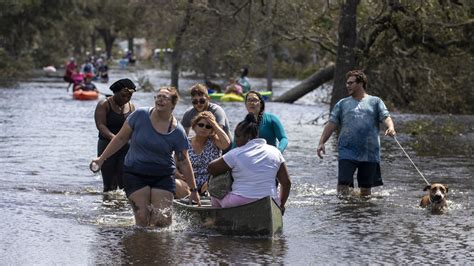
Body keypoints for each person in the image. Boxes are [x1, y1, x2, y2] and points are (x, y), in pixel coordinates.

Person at [90, 87, 201, 227]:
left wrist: (194, 190)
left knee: (162, 222)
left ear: (173, 104)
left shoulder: (177, 132)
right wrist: (101, 159)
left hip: (163, 176)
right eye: (158, 96)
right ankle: (141, 246)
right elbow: (120, 138)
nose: (160, 99)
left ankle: (159, 247)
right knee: (142, 219)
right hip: (135, 173)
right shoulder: (140, 115)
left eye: (165, 97)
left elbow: (184, 161)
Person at [316, 70, 396, 197]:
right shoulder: (342, 104)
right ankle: (344, 212)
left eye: (351, 83)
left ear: (361, 83)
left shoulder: (375, 102)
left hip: (370, 153)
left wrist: (390, 127)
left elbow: (386, 117)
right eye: (347, 83)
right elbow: (331, 124)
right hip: (347, 151)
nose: (347, 85)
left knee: (365, 192)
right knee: (342, 186)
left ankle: (361, 214)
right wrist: (321, 142)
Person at [208, 114, 291, 213]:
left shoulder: (235, 154)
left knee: (214, 194)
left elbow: (211, 168)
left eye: (237, 136)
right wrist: (280, 205)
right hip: (271, 202)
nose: (236, 140)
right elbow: (286, 183)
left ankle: (216, 220)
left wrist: (229, 168)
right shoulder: (275, 152)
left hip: (240, 201)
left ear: (248, 137)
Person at [174, 111, 231, 198]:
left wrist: (214, 123)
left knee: (218, 183)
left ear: (212, 130)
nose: (204, 128)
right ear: (194, 126)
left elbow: (227, 143)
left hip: (210, 184)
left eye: (208, 126)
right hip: (188, 184)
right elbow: (173, 164)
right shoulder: (185, 143)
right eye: (201, 125)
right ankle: (191, 201)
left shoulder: (215, 142)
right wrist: (178, 175)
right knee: (175, 183)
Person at [94, 78, 136, 193]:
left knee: (124, 185)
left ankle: (122, 209)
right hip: (107, 146)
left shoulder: (131, 107)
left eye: (129, 96)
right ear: (116, 92)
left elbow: (134, 128)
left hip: (126, 148)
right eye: (123, 96)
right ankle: (107, 208)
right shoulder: (104, 104)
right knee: (109, 187)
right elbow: (101, 125)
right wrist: (115, 139)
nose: (126, 99)